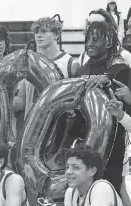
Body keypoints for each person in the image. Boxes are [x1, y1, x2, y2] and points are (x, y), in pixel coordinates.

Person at [73, 21, 131, 199]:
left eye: (95, 39)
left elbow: (126, 107)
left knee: (110, 187)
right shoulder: (83, 68)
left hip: (113, 140)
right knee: (86, 188)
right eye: (88, 39)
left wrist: (107, 79)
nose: (90, 43)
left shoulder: (121, 69)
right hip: (84, 137)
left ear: (108, 42)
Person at [15, 17, 79, 119]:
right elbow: (21, 102)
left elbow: (76, 102)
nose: (39, 35)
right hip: (31, 127)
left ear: (56, 35)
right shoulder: (27, 63)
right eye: (36, 32)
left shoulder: (71, 64)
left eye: (44, 31)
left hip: (58, 127)